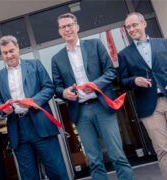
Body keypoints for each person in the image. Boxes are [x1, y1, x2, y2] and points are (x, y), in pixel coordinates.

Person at [51, 13, 134, 180]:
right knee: (94, 160)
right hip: (80, 113)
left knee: (117, 155)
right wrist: (64, 92)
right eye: (63, 27)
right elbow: (57, 87)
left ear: (77, 27)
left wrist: (95, 84)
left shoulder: (95, 45)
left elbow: (111, 72)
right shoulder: (56, 58)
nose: (67, 29)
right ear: (59, 31)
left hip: (102, 106)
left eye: (69, 25)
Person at [118, 12, 167, 180]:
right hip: (149, 108)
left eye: (134, 25)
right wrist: (134, 80)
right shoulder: (124, 54)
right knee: (163, 151)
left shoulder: (164, 43)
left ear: (143, 24)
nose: (131, 29)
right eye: (128, 27)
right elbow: (122, 81)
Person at [0, 35, 68, 180]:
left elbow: (49, 87)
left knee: (57, 171)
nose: (9, 55)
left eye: (11, 51)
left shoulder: (35, 65)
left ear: (18, 48)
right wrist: (3, 109)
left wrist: (32, 101)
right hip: (17, 129)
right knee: (29, 176)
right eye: (5, 53)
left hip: (40, 124)